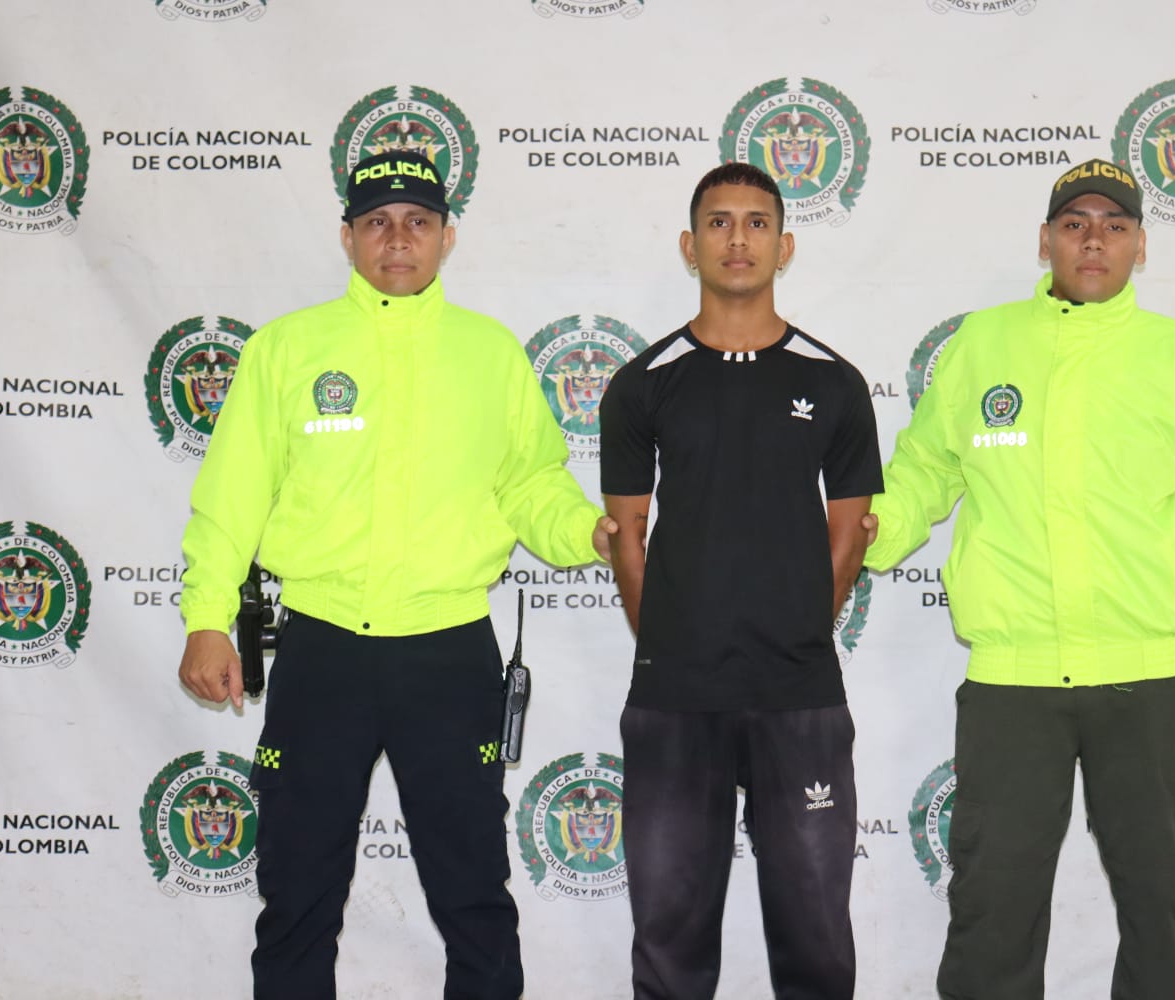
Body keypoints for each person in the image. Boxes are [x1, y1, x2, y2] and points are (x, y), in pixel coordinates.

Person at [175, 148, 613, 1000]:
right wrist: (204, 616)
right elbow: (231, 497)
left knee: (473, 892)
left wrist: (589, 532)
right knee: (297, 894)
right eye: (378, 222)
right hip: (322, 649)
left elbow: (531, 483)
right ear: (348, 238)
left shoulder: (489, 354)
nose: (398, 239)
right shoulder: (287, 349)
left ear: (448, 238)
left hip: (448, 655)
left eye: (417, 222)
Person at [865, 158, 1175, 1000]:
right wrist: (869, 533)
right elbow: (927, 470)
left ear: (1141, 247)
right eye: (1075, 224)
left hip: (1145, 676)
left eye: (1114, 226)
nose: (1094, 240)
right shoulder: (984, 344)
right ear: (1044, 241)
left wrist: (1171, 588)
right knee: (991, 911)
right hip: (1014, 682)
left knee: (1161, 908)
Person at [599, 162, 883, 1000]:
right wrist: (674, 646)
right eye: (719, 222)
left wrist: (797, 630)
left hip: (800, 695)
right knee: (669, 944)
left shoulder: (832, 382)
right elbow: (627, 538)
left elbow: (850, 537)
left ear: (784, 244)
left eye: (757, 223)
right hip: (673, 699)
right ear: (690, 245)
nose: (738, 238)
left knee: (818, 943)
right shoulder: (641, 384)